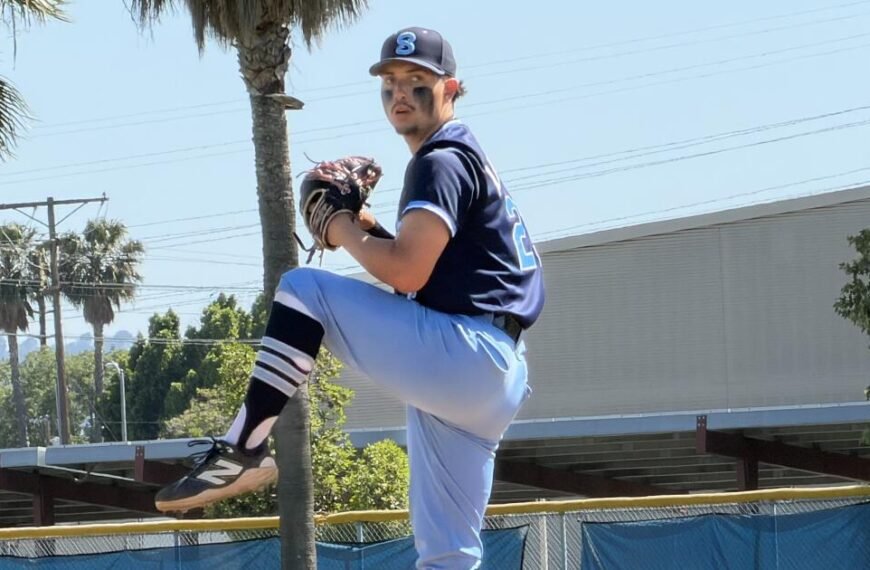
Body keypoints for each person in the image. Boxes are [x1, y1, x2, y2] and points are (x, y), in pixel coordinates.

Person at [155, 26, 546, 569]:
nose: (401, 91)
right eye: (390, 81)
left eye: (418, 79)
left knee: (303, 291)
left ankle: (244, 447)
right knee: (448, 555)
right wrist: (363, 225)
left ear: (452, 88)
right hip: (488, 369)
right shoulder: (467, 159)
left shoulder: (440, 159)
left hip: (468, 354)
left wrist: (338, 226)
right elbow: (426, 274)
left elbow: (407, 271)